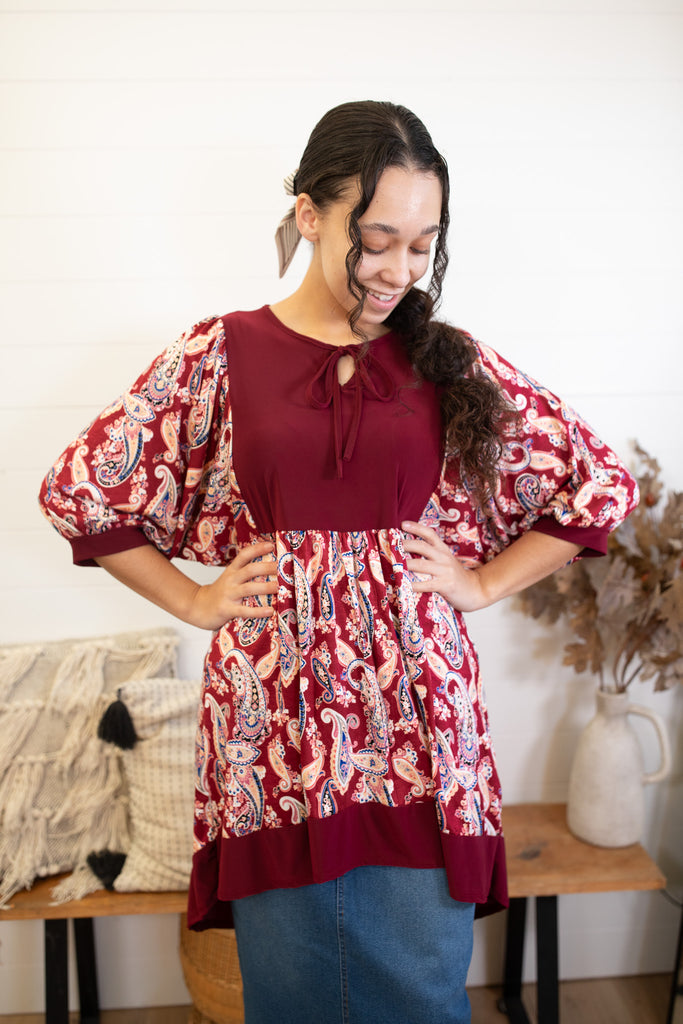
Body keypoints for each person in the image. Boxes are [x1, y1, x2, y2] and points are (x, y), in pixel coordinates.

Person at [39, 100, 638, 1024]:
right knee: (291, 989)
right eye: (377, 240)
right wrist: (193, 601)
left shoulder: (445, 360)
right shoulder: (221, 353)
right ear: (310, 215)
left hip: (417, 714)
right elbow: (82, 491)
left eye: (422, 245)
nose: (400, 270)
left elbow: (596, 483)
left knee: (421, 983)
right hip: (274, 722)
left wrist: (481, 583)